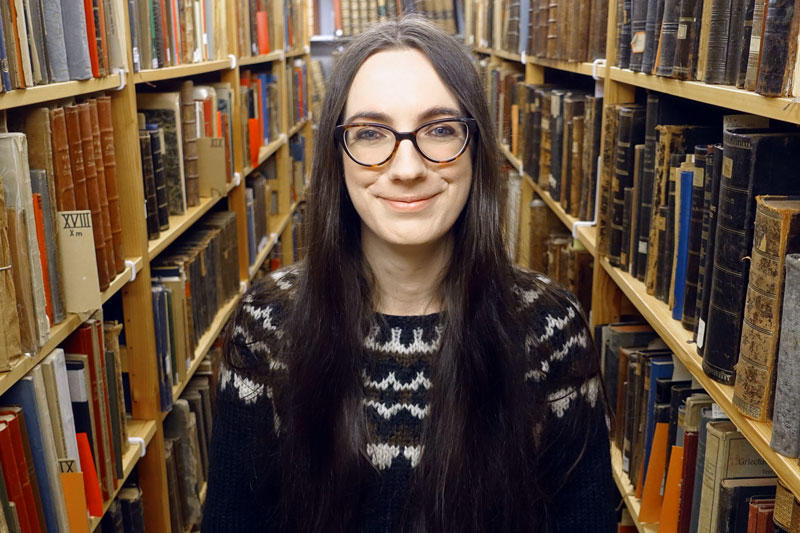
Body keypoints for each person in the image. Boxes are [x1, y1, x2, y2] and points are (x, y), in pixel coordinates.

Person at [202, 15, 615, 532]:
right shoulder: (268, 323)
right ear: (338, 156)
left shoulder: (551, 327)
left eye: (440, 130)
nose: (407, 167)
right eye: (371, 134)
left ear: (477, 146)